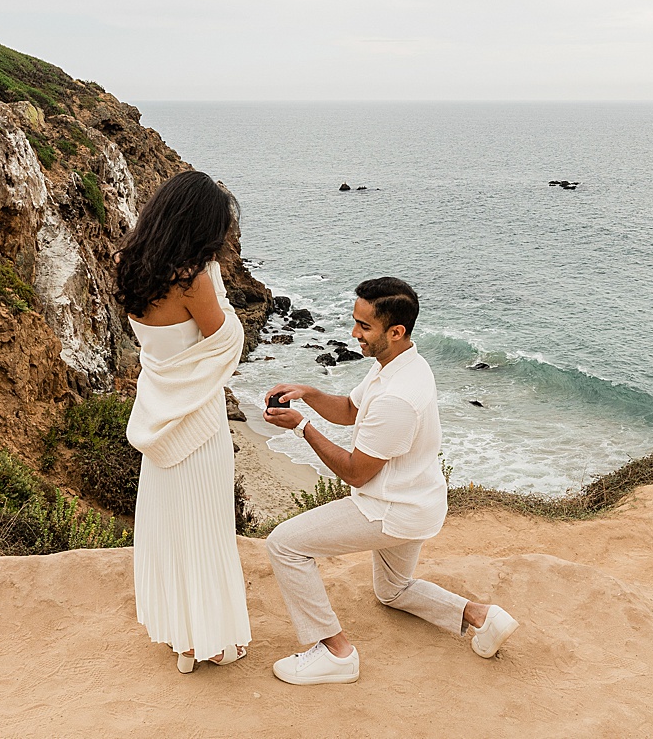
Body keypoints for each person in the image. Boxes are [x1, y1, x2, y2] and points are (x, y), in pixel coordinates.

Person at [262, 276, 520, 685]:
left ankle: (336, 652)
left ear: (395, 332)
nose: (353, 333)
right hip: (417, 500)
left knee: (284, 544)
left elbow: (355, 472)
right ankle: (481, 617)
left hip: (388, 510)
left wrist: (301, 427)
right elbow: (349, 409)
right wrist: (308, 392)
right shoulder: (401, 364)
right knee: (393, 591)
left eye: (364, 326)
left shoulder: (398, 398)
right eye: (355, 321)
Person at [115, 170, 251, 674]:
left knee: (170, 526)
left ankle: (181, 637)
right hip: (196, 414)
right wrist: (216, 286)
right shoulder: (192, 277)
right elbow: (225, 341)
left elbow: (157, 343)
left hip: (156, 404)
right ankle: (209, 639)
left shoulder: (129, 263)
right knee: (206, 526)